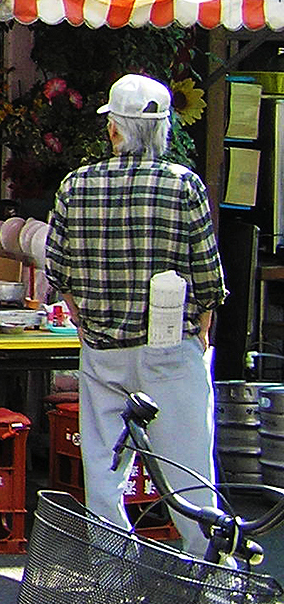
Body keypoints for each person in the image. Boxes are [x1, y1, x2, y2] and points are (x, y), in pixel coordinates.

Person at [45, 73, 225, 560]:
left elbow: (57, 270)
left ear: (113, 130)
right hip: (169, 348)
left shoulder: (75, 185)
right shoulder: (183, 185)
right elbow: (207, 274)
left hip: (103, 349)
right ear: (163, 130)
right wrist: (204, 322)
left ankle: (114, 571)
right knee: (188, 463)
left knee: (104, 467)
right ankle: (209, 572)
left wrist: (82, 317)